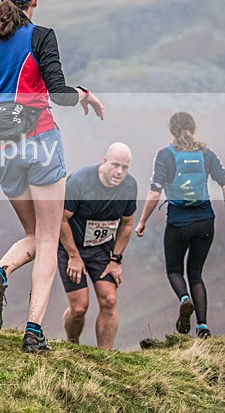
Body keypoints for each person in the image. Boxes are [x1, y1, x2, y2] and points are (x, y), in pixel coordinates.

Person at [0, 0, 105, 353]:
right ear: (33, 3)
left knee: (35, 234)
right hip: (39, 141)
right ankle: (33, 332)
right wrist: (85, 94)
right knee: (47, 236)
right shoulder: (41, 37)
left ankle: (0, 274)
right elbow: (60, 94)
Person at [135, 111, 225, 338]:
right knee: (196, 272)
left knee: (175, 270)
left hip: (178, 222)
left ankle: (184, 299)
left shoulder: (165, 155)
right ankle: (203, 327)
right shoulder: (206, 153)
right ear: (193, 128)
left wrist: (142, 221)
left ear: (171, 130)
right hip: (205, 220)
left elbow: (154, 193)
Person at [58, 143, 137, 350]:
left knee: (109, 301)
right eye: (115, 165)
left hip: (101, 250)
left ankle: (105, 357)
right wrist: (74, 256)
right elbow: (61, 220)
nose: (120, 172)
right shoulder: (80, 181)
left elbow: (127, 224)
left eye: (125, 168)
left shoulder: (129, 187)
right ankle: (72, 347)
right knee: (79, 307)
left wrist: (115, 259)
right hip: (71, 247)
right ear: (105, 161)